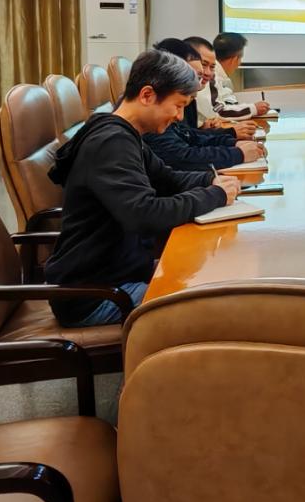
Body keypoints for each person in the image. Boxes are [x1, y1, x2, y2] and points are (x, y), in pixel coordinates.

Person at [45, 50, 241, 327]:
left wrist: (211, 180)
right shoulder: (111, 142)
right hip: (97, 295)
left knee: (220, 279)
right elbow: (146, 214)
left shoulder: (125, 133)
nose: (179, 116)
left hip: (120, 272)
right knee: (223, 309)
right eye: (178, 105)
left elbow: (167, 178)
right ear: (147, 95)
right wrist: (215, 195)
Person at [143, 39, 266, 171]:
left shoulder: (171, 100)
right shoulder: (152, 115)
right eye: (197, 74)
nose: (206, 75)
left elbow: (187, 136)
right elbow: (180, 158)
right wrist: (237, 153)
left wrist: (232, 141)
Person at [184, 35, 258, 139]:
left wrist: (203, 127)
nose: (208, 73)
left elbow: (188, 135)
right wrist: (254, 108)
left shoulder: (212, 79)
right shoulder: (201, 83)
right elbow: (217, 112)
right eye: (203, 64)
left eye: (212, 66)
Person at [212, 32, 270, 120]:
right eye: (241, 58)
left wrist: (248, 108)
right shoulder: (211, 76)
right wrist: (253, 108)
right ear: (235, 59)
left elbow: (228, 102)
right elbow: (219, 112)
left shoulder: (220, 76)